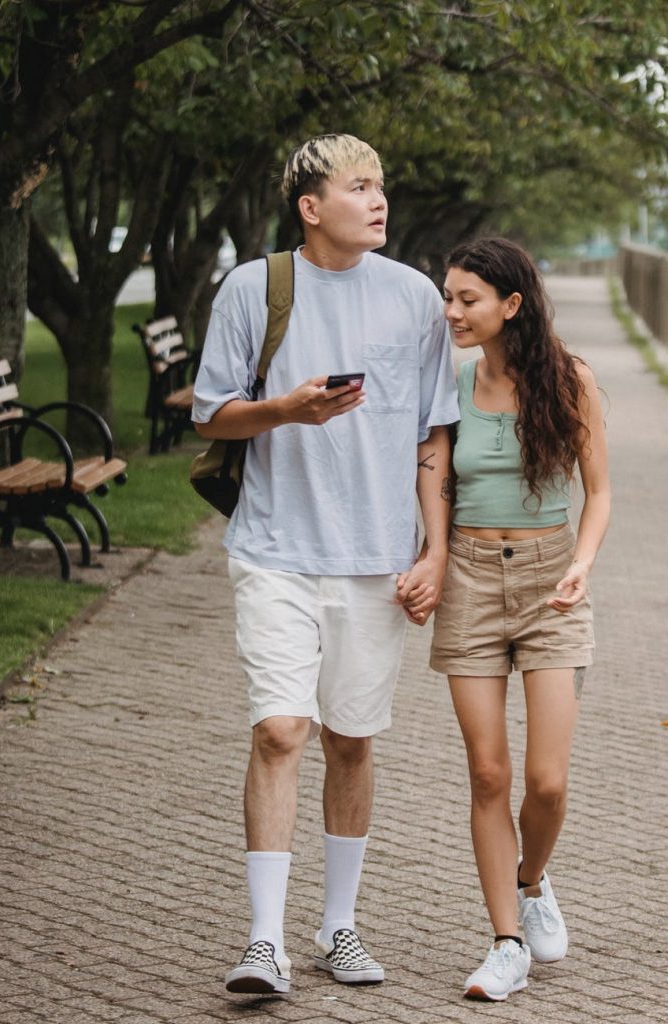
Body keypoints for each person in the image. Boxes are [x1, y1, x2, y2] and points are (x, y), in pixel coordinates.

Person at [192, 133, 459, 995]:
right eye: (358, 186)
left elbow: (431, 436)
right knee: (280, 730)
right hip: (276, 549)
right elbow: (210, 417)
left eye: (381, 184)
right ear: (310, 207)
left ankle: (337, 927)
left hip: (378, 561)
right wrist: (285, 412)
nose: (378, 199)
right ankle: (262, 941)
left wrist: (435, 551)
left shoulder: (415, 297)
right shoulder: (252, 287)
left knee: (350, 740)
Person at [430, 237, 610, 1002]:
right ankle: (505, 941)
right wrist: (432, 563)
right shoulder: (449, 386)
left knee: (545, 783)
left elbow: (597, 491)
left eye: (467, 299)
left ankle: (531, 881)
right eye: (447, 296)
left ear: (511, 305)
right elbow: (435, 487)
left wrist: (580, 562)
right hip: (469, 581)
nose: (452, 312)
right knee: (487, 772)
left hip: (549, 584)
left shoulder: (569, 382)